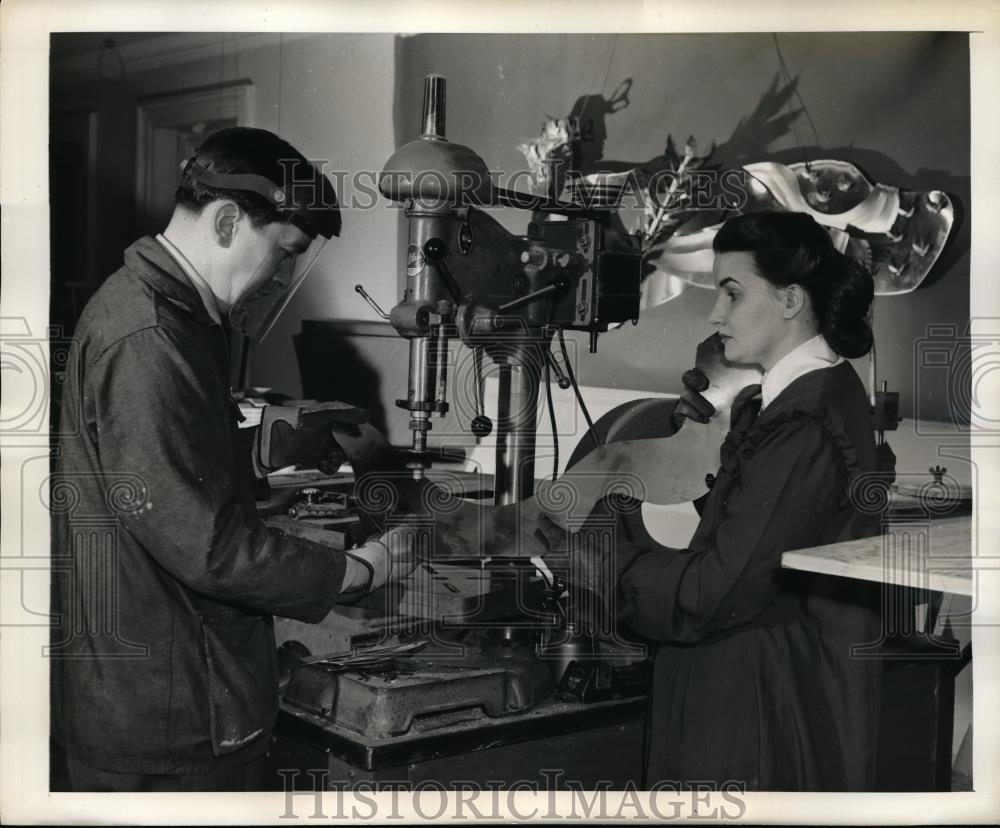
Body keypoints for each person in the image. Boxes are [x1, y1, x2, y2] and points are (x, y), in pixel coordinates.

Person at [50, 127, 415, 792]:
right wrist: (359, 570)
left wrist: (267, 448)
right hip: (171, 719)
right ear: (226, 221)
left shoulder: (170, 315)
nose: (277, 279)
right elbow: (208, 546)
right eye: (283, 255)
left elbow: (160, 473)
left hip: (167, 694)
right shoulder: (150, 337)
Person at [541, 210, 883, 791]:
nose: (715, 314)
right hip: (754, 684)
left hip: (757, 707)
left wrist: (594, 563)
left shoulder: (805, 419)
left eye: (731, 293)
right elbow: (753, 540)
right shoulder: (791, 401)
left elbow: (714, 593)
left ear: (791, 300)